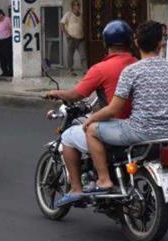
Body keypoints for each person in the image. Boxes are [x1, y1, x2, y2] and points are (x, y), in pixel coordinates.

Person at [82, 21, 168, 193]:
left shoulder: (132, 71)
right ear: (161, 43)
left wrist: (91, 119)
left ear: (136, 43)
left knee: (91, 130)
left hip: (139, 132)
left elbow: (113, 109)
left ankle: (104, 180)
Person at [46, 20, 137, 206]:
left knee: (69, 136)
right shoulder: (137, 64)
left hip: (116, 126)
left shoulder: (101, 68)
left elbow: (76, 94)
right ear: (130, 42)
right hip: (137, 124)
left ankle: (77, 188)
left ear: (106, 43)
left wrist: (56, 93)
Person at [60, 0, 87, 76]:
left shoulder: (81, 15)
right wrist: (67, 34)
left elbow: (83, 26)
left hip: (81, 39)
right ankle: (70, 70)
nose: (78, 6)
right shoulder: (68, 14)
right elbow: (61, 24)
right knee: (70, 55)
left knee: (83, 55)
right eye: (76, 5)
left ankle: (85, 70)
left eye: (78, 5)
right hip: (71, 38)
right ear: (72, 6)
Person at [0, 9, 13, 77]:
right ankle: (4, 71)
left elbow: (12, 28)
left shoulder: (7, 19)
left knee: (8, 56)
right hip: (0, 41)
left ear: (1, 14)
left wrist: (10, 37)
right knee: (1, 56)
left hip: (7, 40)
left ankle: (10, 72)